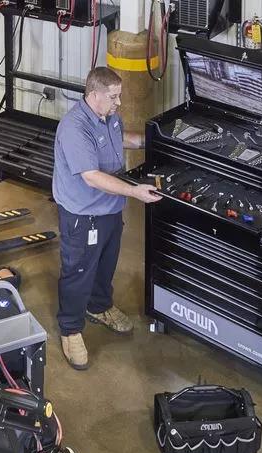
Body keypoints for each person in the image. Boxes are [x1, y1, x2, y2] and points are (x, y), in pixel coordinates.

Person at [52, 67, 162, 370]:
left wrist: (152, 140)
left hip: (110, 210)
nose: (119, 103)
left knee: (105, 263)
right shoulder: (74, 128)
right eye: (114, 97)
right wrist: (134, 191)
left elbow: (116, 138)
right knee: (78, 271)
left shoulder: (109, 116)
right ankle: (71, 329)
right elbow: (92, 177)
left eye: (119, 96)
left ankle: (99, 306)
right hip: (83, 216)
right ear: (94, 95)